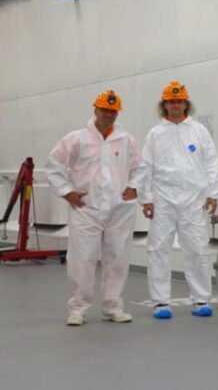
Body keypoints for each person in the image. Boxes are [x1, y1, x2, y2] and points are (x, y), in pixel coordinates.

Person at [47, 90, 142, 326]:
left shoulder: (126, 139)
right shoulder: (76, 139)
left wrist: (134, 187)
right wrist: (66, 191)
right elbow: (54, 165)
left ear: (117, 112)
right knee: (82, 258)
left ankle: (113, 307)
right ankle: (78, 309)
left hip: (120, 208)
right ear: (95, 110)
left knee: (118, 258)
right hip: (85, 207)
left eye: (113, 111)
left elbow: (141, 168)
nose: (108, 114)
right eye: (104, 110)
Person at [138, 81, 218, 319]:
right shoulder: (155, 133)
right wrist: (146, 198)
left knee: (196, 248)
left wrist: (213, 193)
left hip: (194, 200)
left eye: (179, 101)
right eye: (171, 102)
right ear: (164, 105)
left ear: (186, 104)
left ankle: (201, 299)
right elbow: (146, 167)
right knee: (158, 250)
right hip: (163, 200)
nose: (175, 105)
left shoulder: (199, 131)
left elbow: (211, 162)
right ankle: (160, 302)